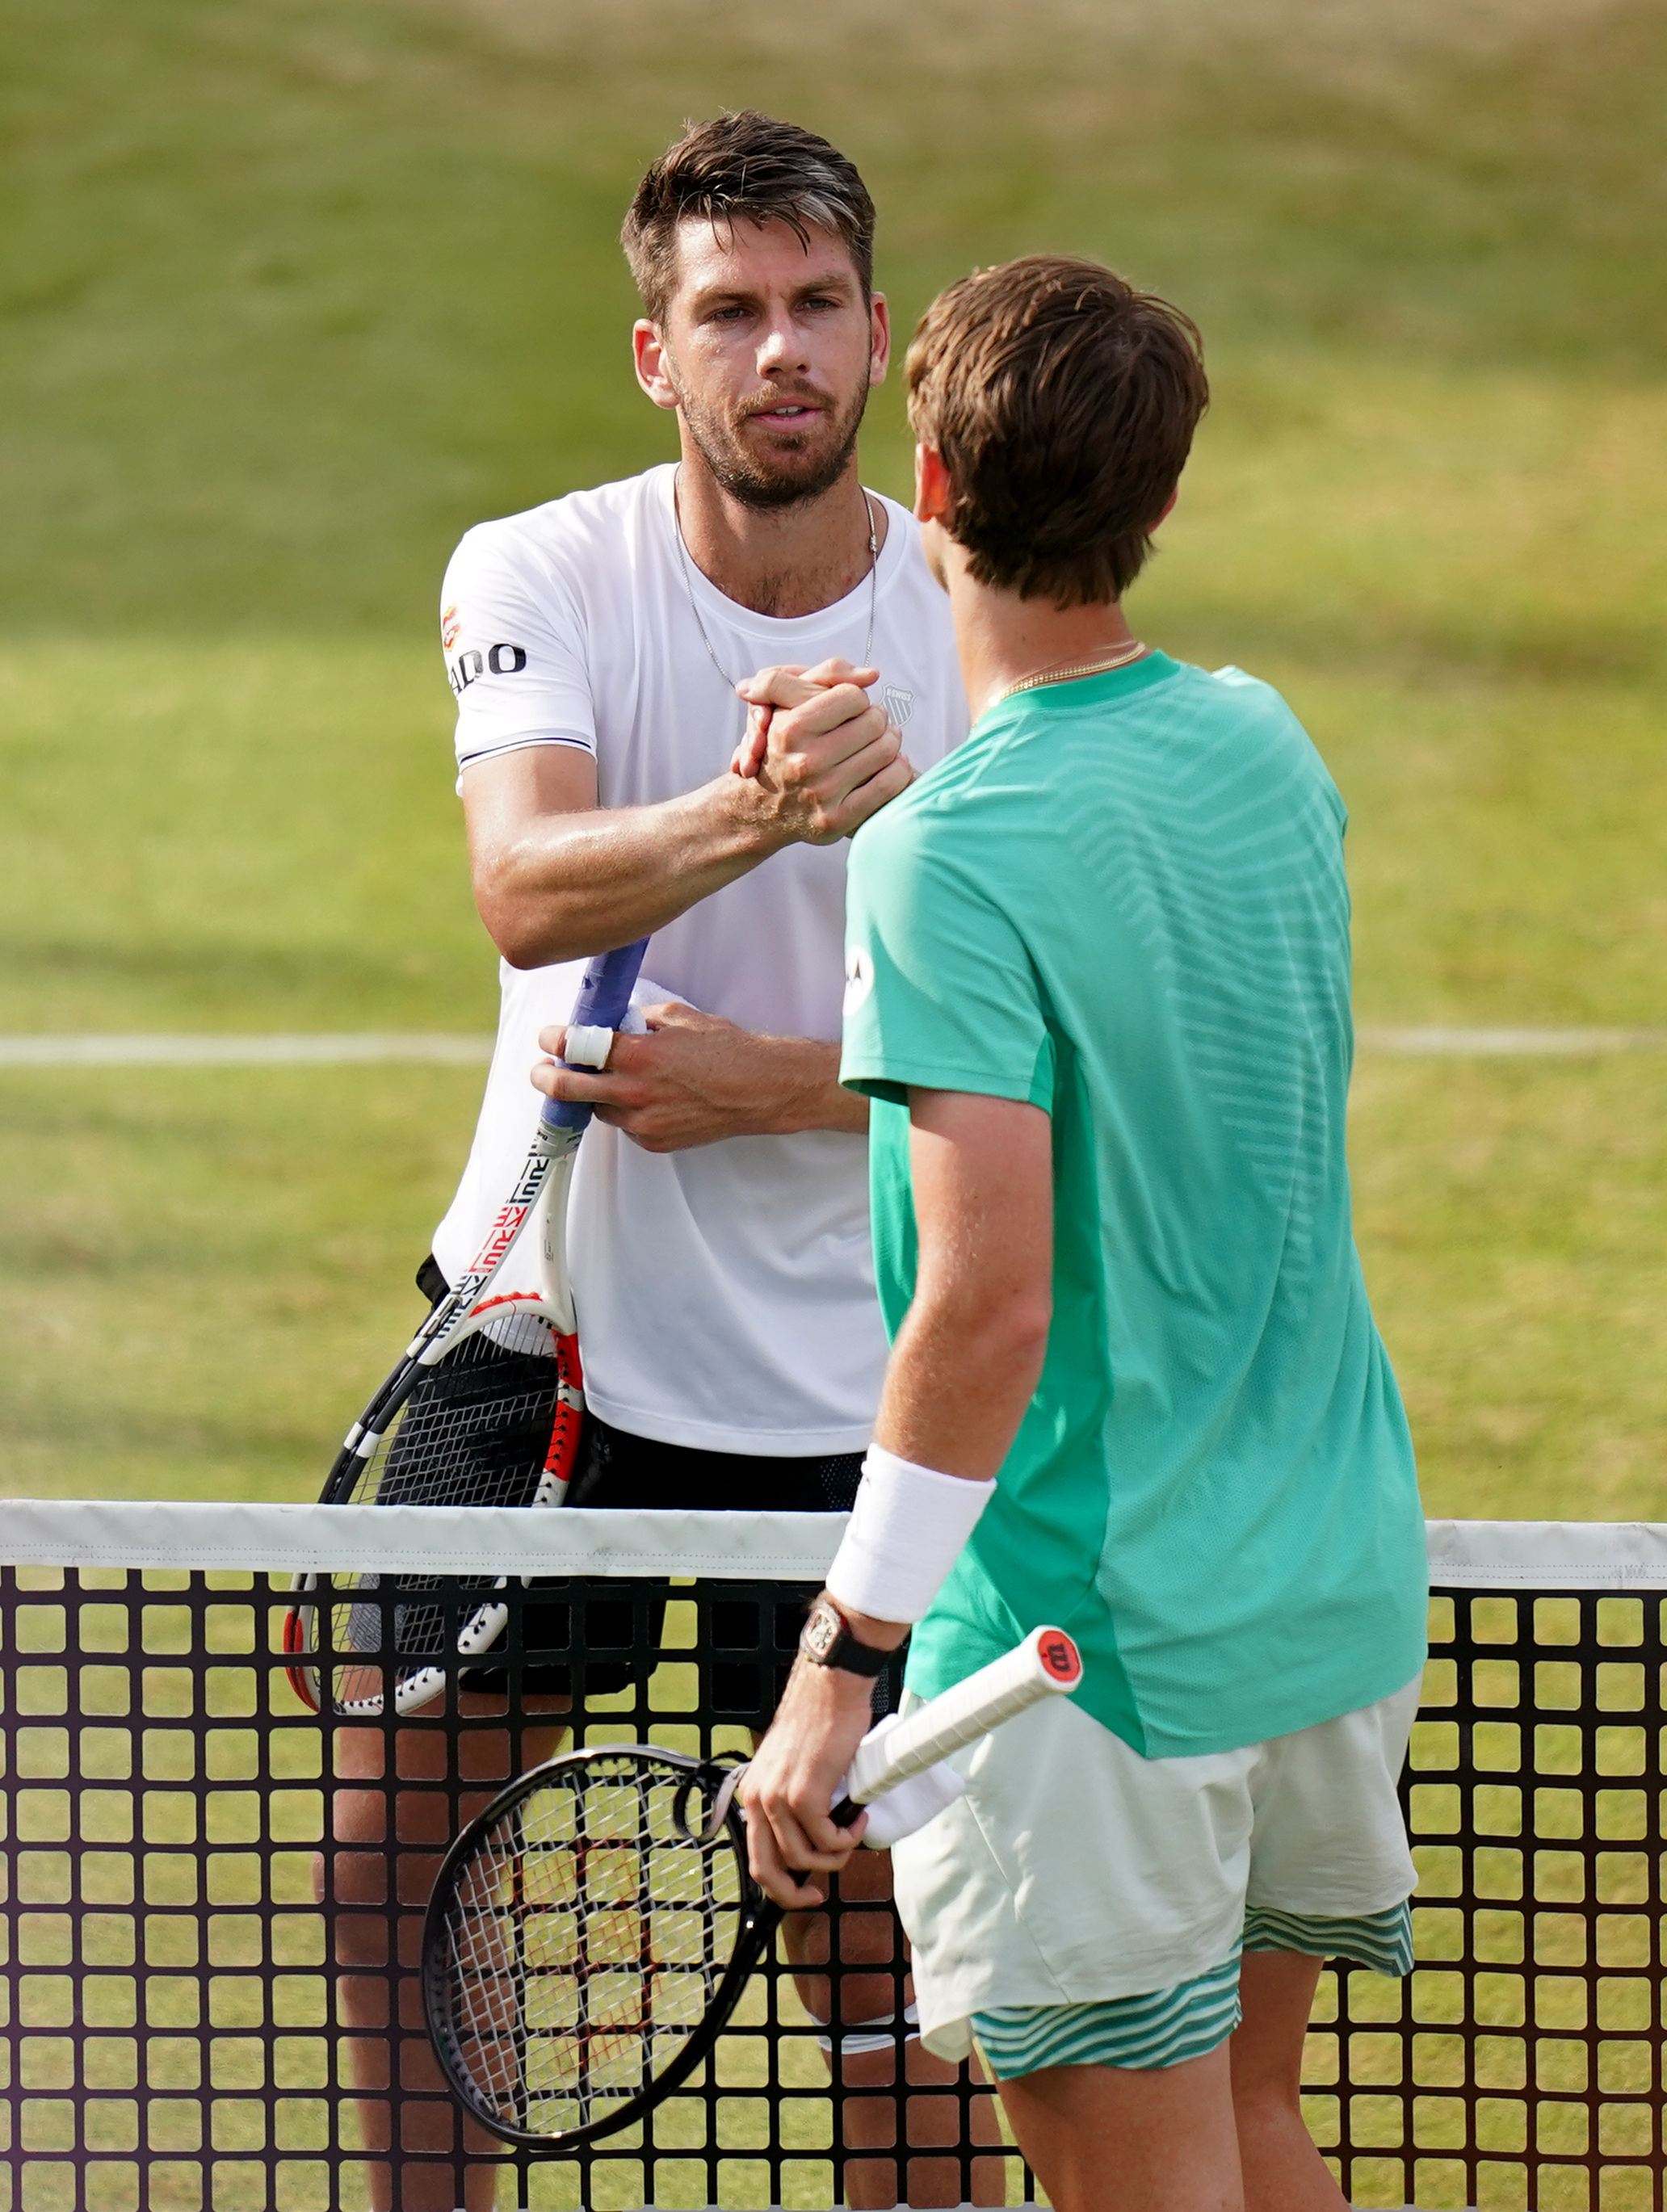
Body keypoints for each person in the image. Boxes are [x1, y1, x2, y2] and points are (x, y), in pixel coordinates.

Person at [331, 111, 997, 2212]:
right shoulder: (536, 570)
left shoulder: (976, 637)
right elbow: (527, 892)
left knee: (867, 1947)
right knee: (386, 1868)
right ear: (658, 353)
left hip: (845, 1386)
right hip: (551, 1344)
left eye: (816, 309)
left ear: (879, 340)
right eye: (732, 310)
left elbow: (1049, 1076)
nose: (777, 350)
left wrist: (774, 1081)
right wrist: (760, 809)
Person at [741, 254, 1430, 2212]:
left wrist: (838, 1662)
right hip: (1327, 1601)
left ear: (928, 486)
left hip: (1088, 1663)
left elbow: (985, 1304)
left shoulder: (943, 856)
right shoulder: (1265, 744)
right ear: (1164, 497)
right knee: (1250, 2121)